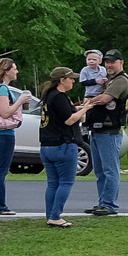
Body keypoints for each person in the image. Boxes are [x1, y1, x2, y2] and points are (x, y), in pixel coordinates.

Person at [37, 67, 95, 228]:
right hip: (63, 145)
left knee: (53, 183)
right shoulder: (60, 97)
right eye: (71, 78)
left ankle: (51, 215)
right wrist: (86, 108)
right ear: (62, 80)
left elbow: (78, 117)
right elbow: (69, 120)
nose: (73, 81)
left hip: (47, 146)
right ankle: (55, 216)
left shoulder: (49, 96)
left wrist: (82, 108)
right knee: (66, 182)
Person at [83, 50, 128, 216]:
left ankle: (110, 204)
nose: (109, 65)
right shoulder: (108, 79)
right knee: (100, 171)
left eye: (113, 62)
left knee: (110, 170)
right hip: (98, 129)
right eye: (107, 62)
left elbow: (105, 99)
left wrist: (88, 102)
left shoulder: (121, 80)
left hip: (110, 131)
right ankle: (102, 202)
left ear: (121, 62)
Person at [0, 56, 31, 216]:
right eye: (14, 69)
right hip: (3, 133)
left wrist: (22, 103)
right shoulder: (2, 88)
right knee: (0, 170)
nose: (17, 71)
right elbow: (5, 112)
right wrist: (19, 101)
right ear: (6, 71)